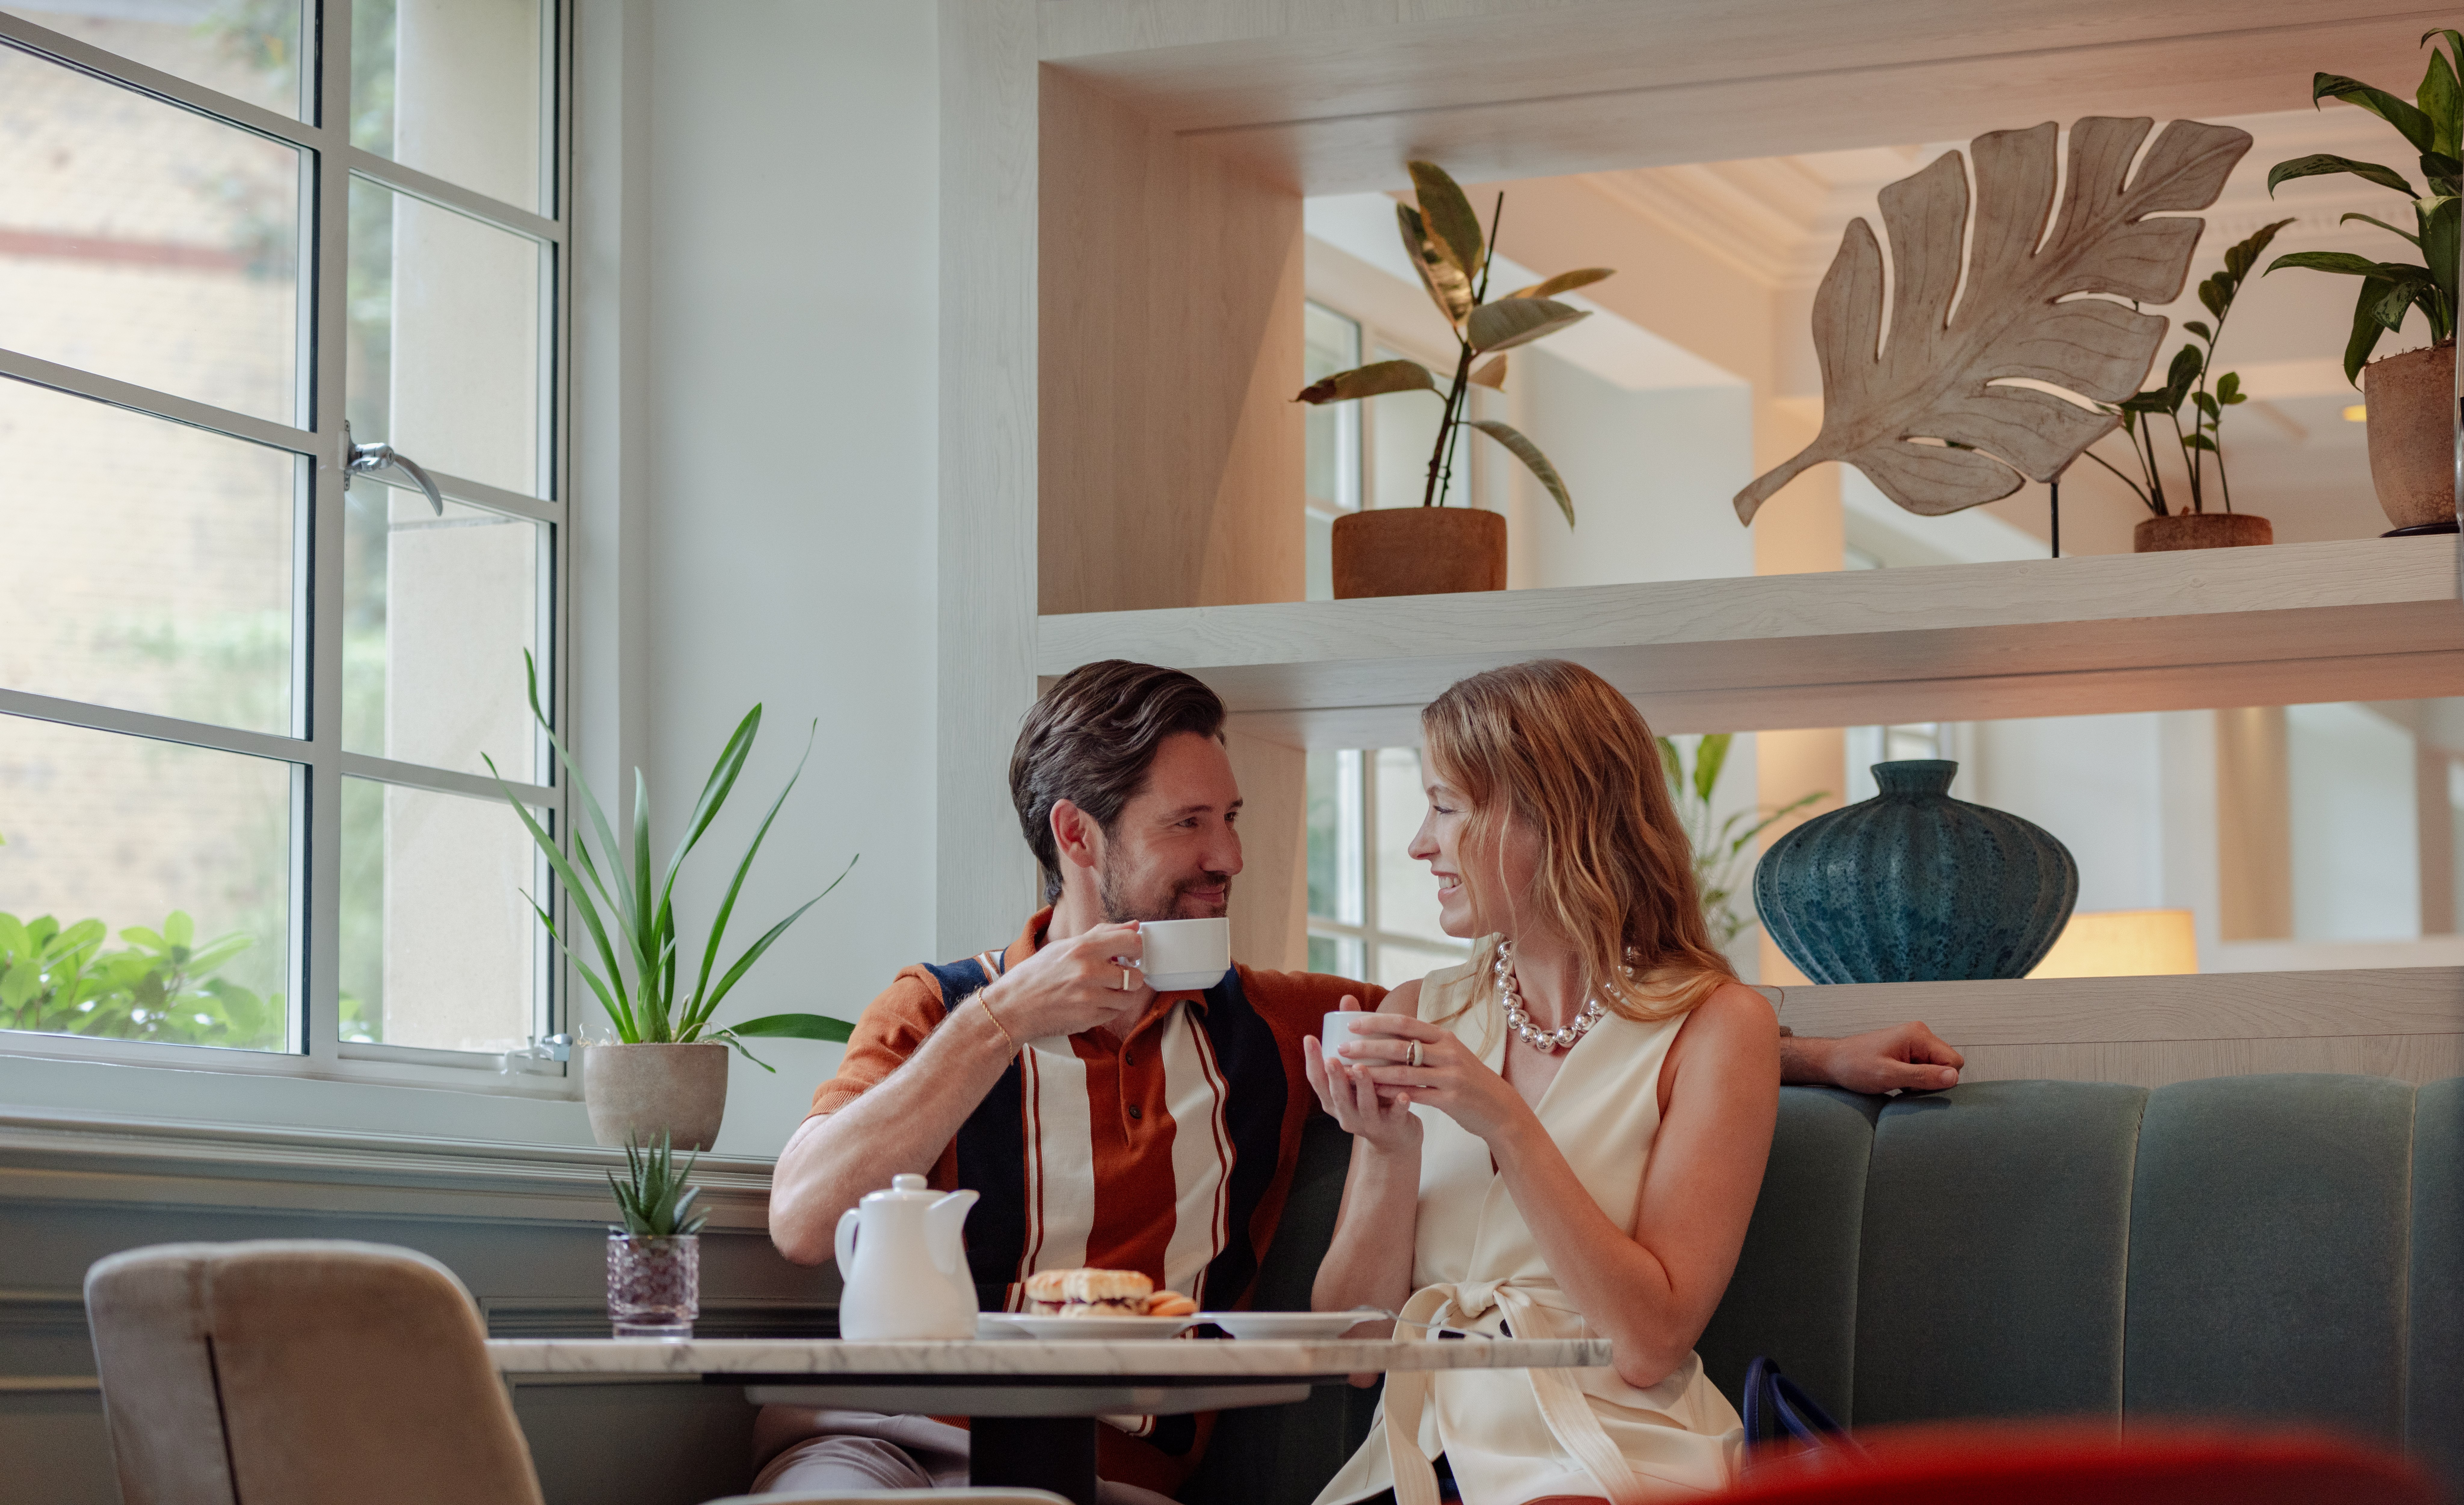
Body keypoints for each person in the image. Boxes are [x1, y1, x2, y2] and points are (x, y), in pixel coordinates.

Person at [762, 659, 1964, 1499]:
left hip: (1115, 1480)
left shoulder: (1273, 1026)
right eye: (1191, 826)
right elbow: (804, 1219)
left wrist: (1799, 1055)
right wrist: (1000, 1025)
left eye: (1230, 818)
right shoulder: (938, 1010)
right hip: (884, 1444)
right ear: (1079, 838)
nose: (1230, 856)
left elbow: (1609, 1035)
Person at [1306, 660, 1794, 1505]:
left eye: (1446, 805)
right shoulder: (1420, 1011)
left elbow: (1648, 1341)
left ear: (1548, 818)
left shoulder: (1719, 1029)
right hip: (1423, 1463)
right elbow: (1350, 1354)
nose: (1422, 843)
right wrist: (1389, 1149)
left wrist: (1506, 1120)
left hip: (1618, 1449)